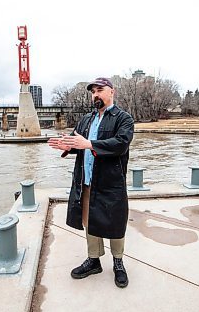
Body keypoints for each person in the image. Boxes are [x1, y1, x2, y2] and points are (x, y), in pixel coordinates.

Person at [48, 77, 134, 288]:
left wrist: (88, 143)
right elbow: (77, 143)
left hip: (110, 182)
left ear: (111, 92)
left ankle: (118, 262)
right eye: (93, 91)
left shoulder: (123, 118)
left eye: (100, 90)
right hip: (86, 180)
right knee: (89, 220)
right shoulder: (87, 119)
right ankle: (93, 260)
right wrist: (66, 146)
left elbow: (120, 144)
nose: (95, 94)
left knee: (115, 222)